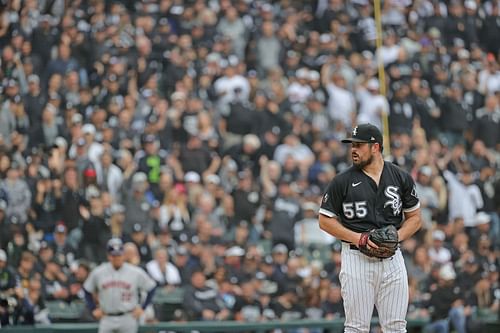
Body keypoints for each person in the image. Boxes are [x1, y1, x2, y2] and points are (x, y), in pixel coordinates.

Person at [318, 123, 422, 332]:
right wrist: (359, 238)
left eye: (359, 145)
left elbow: (415, 218)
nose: (353, 150)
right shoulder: (342, 181)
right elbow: (325, 220)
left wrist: (396, 237)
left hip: (392, 259)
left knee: (396, 326)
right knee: (357, 327)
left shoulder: (400, 177)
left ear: (375, 147)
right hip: (357, 258)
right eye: (352, 145)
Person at [83, 238, 157, 333]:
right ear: (108, 256)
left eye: (119, 255)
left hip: (128, 317)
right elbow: (87, 289)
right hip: (107, 317)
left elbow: (152, 287)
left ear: (123, 255)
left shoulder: (135, 272)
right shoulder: (99, 272)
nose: (117, 258)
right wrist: (93, 308)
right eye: (113, 255)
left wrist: (143, 308)